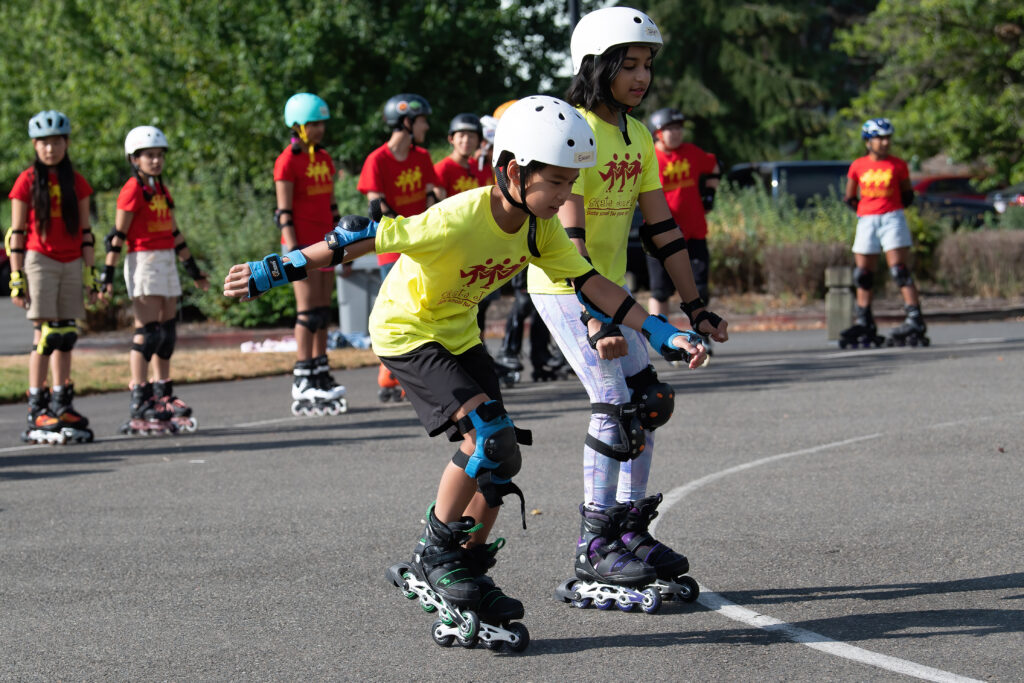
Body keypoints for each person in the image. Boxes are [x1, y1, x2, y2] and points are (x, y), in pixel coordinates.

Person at [223, 96, 708, 646]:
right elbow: (358, 235)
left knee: (503, 460)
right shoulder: (457, 217)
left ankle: (469, 567)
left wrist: (663, 333)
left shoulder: (539, 229)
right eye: (558, 183)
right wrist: (274, 268)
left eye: (573, 184)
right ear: (512, 171)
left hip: (458, 332)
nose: (568, 197)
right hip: (408, 331)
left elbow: (593, 285)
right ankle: (434, 553)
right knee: (489, 437)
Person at [526, 7, 729, 606]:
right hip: (568, 290)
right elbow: (574, 238)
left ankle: (629, 530)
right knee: (613, 405)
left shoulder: (637, 134)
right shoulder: (575, 128)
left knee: (649, 401)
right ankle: (594, 543)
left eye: (646, 65)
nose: (641, 77)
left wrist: (695, 307)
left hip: (609, 290)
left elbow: (663, 231)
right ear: (597, 65)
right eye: (628, 64)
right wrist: (594, 318)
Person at [101, 125, 209, 434]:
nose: (156, 161)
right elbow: (117, 236)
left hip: (166, 260)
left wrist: (194, 271)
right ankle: (140, 398)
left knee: (167, 333)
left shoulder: (161, 190)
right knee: (147, 333)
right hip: (144, 261)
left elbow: (175, 233)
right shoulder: (132, 190)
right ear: (134, 159)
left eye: (159, 155)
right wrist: (106, 275)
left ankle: (163, 394)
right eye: (149, 156)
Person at [6, 110, 97, 444]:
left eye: (56, 141)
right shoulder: (26, 181)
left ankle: (61, 402)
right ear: (35, 145)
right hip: (39, 260)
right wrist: (16, 277)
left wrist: (92, 275)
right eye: (43, 143)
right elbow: (16, 232)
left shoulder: (78, 182)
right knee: (44, 334)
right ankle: (36, 406)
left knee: (65, 335)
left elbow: (87, 232)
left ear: (66, 143)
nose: (50, 149)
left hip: (72, 261)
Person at [357, 93, 442, 401]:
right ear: (406, 122)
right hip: (394, 248)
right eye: (422, 121)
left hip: (422, 245)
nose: (426, 126)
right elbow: (377, 207)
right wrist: (410, 229)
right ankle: (389, 377)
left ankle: (414, 376)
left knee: (424, 311)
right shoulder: (377, 160)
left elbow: (435, 194)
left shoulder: (421, 156)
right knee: (399, 313)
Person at [273, 93, 348, 415]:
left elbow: (331, 204)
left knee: (321, 311)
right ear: (298, 126)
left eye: (321, 124)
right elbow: (283, 211)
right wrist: (291, 252)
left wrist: (340, 239)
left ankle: (320, 369)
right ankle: (303, 375)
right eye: (313, 124)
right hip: (299, 246)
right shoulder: (287, 161)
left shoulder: (324, 158)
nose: (319, 129)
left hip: (326, 243)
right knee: (306, 312)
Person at [840, 118, 928, 347]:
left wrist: (889, 208)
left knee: (900, 271)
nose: (885, 142)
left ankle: (914, 318)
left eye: (888, 138)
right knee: (863, 275)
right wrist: (866, 210)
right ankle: (865, 320)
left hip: (893, 218)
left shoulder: (898, 165)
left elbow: (908, 195)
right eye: (880, 138)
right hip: (867, 219)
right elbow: (849, 196)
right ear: (868, 141)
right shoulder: (858, 165)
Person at [646, 108, 720, 321]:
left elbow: (715, 165)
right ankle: (662, 335)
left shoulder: (691, 152)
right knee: (660, 291)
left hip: (694, 232)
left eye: (679, 128)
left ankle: (703, 331)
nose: (677, 133)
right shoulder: (650, 157)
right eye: (671, 129)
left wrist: (710, 194)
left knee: (700, 288)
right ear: (658, 132)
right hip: (659, 234)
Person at [434, 113, 491, 198]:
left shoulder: (480, 168)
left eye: (471, 136)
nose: (466, 140)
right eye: (461, 135)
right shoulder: (441, 169)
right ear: (451, 139)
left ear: (479, 141)